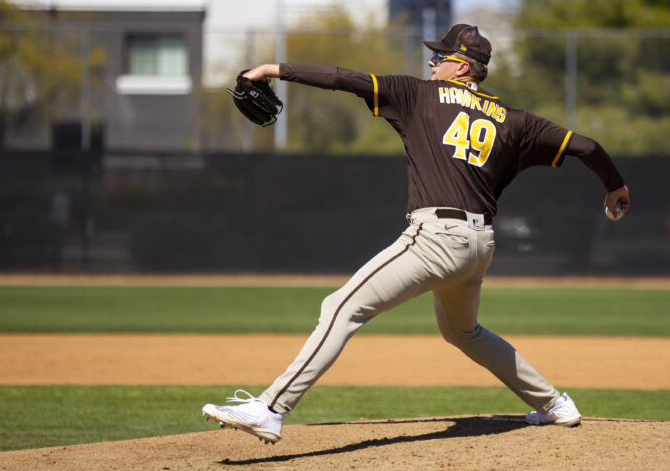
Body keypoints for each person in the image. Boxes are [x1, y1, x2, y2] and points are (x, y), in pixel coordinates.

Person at [202, 24, 630, 444]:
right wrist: (615, 186)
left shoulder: (418, 94)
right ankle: (555, 404)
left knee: (340, 307)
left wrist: (271, 69)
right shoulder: (516, 121)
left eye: (440, 56)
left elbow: (341, 78)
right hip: (479, 245)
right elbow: (587, 147)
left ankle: (271, 409)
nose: (431, 62)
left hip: (436, 238)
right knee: (462, 332)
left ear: (462, 67)